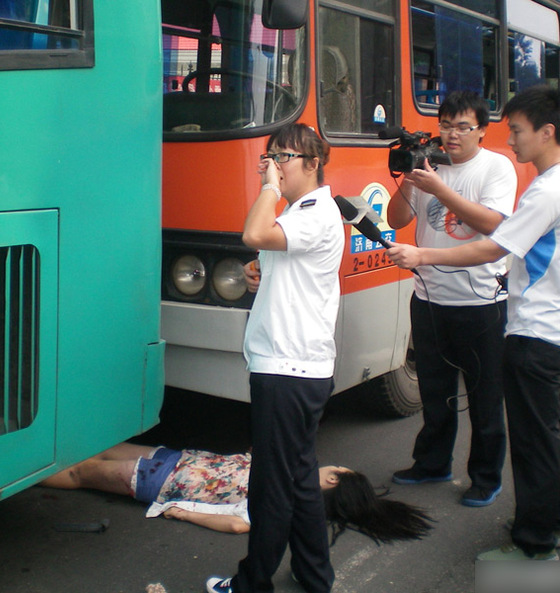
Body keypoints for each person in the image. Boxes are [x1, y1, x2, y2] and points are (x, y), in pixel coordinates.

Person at [386, 86, 560, 561]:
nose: (513, 142)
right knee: (551, 435)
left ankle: (534, 542)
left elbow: (496, 245)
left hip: (534, 329)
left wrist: (424, 254)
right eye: (446, 125)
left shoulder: (546, 189)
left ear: (547, 132)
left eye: (518, 131)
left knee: (531, 441)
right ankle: (549, 521)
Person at [205, 123, 345, 593]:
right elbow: (271, 257)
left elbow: (253, 233)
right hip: (295, 366)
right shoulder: (301, 212)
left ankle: (252, 584)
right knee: (300, 478)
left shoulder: (313, 210)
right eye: (269, 157)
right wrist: (258, 274)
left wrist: (267, 189)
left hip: (288, 368)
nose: (274, 166)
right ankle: (313, 574)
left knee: (272, 488)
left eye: (282, 157)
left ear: (312, 163)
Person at [386, 90, 517, 508]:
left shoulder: (496, 168)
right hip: (428, 298)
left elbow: (493, 226)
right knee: (435, 392)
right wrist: (411, 177)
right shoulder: (429, 165)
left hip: (481, 303)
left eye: (463, 126)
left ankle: (484, 477)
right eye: (446, 125)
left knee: (484, 398)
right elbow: (396, 220)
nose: (453, 134)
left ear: (482, 130)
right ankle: (432, 463)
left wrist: (440, 189)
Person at [41, 443, 434, 543]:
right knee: (94, 455)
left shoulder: (284, 502)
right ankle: (31, 459)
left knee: (80, 473)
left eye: (335, 470)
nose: (330, 466)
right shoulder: (288, 483)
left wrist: (183, 512)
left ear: (332, 482)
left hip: (160, 480)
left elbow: (236, 525)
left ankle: (15, 473)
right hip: (173, 462)